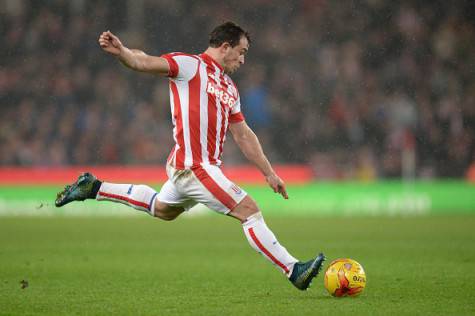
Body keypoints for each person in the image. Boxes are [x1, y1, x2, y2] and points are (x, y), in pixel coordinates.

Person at [55, 21, 325, 290]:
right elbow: (145, 62)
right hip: (195, 166)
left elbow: (243, 134)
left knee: (162, 209)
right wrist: (124, 52)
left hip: (191, 166)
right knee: (250, 212)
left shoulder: (230, 88)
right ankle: (293, 269)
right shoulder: (189, 66)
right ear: (225, 46)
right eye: (241, 52)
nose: (243, 60)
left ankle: (94, 188)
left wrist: (269, 172)